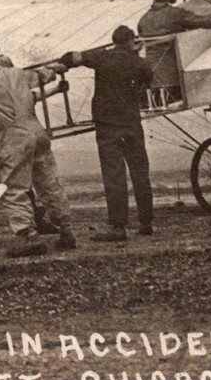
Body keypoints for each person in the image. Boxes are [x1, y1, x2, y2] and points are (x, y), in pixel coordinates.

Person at [0, 43, 75, 257]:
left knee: (16, 188)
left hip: (13, 138)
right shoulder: (19, 74)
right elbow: (47, 75)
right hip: (37, 131)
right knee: (49, 182)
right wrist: (57, 68)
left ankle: (28, 237)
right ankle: (66, 231)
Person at [63, 26, 155, 241]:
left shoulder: (102, 57)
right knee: (140, 172)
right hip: (132, 122)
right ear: (132, 41)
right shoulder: (140, 62)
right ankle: (146, 222)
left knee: (114, 175)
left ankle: (118, 227)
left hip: (108, 124)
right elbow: (147, 82)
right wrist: (135, 54)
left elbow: (72, 57)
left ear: (113, 40)